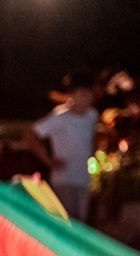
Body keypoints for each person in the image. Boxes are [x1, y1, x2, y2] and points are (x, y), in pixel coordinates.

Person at [23, 69, 99, 224]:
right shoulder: (60, 117)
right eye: (81, 94)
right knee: (67, 223)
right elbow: (30, 135)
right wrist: (48, 160)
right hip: (64, 179)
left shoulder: (92, 115)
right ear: (71, 95)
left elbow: (91, 137)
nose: (86, 99)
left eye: (89, 94)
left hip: (83, 179)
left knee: (82, 225)